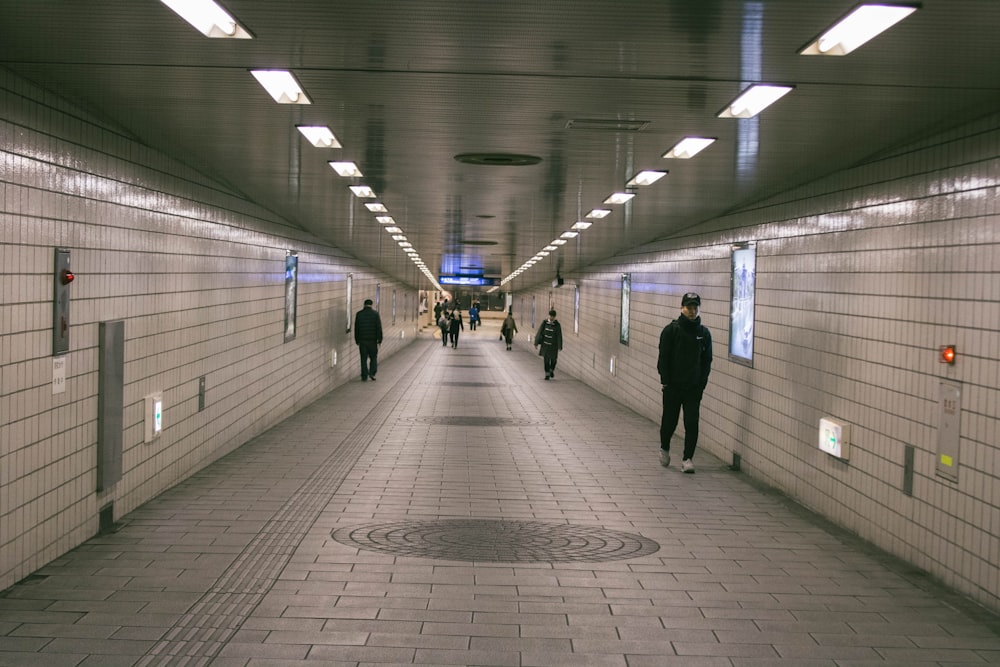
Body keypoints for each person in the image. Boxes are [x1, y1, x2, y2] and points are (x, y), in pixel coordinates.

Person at [657, 292, 712, 473]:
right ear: (682, 308)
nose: (692, 311)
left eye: (695, 307)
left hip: (693, 388)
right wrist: (665, 381)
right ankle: (664, 447)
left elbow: (707, 361)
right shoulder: (671, 331)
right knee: (669, 422)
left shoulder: (703, 334)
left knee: (692, 422)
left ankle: (688, 458)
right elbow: (663, 358)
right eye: (689, 307)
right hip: (673, 387)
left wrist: (701, 383)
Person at [354, 298, 383, 382]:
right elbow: (378, 328)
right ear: (371, 305)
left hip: (362, 341)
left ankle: (364, 375)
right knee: (373, 357)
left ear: (364, 304)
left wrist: (357, 340)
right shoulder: (375, 314)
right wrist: (380, 339)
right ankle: (372, 373)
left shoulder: (359, 314)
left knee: (363, 358)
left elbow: (357, 328)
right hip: (372, 341)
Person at [533, 309, 562, 380]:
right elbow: (539, 332)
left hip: (553, 346)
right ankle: (547, 374)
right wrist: (536, 343)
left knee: (554, 360)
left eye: (553, 316)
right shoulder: (545, 323)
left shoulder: (557, 325)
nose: (551, 317)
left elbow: (559, 335)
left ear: (555, 317)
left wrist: (559, 346)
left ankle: (551, 369)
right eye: (550, 316)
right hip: (545, 345)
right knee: (546, 360)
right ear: (548, 316)